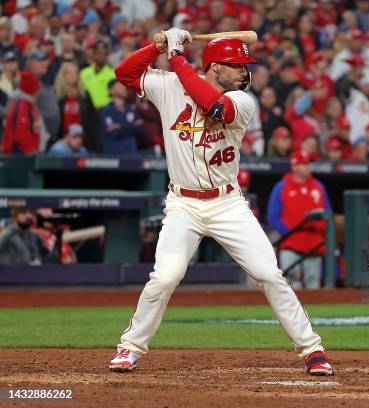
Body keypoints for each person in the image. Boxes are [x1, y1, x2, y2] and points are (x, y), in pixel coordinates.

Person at [110, 28, 333, 375]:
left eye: (246, 66)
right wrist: (154, 47)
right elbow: (124, 73)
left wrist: (177, 56)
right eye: (237, 65)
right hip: (183, 204)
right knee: (166, 276)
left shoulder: (243, 101)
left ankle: (312, 350)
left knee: (269, 274)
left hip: (227, 204)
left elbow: (212, 105)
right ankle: (129, 348)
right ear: (214, 67)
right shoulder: (170, 86)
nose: (245, 72)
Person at [267, 150, 333, 290]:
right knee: (291, 286)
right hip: (291, 244)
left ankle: (313, 313)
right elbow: (272, 216)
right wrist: (289, 232)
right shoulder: (282, 186)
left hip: (314, 244)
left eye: (309, 163)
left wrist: (322, 232)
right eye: (304, 164)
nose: (308, 167)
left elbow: (328, 215)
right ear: (295, 166)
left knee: (313, 284)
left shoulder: (318, 187)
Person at [2, 71, 44, 153]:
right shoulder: (22, 105)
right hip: (19, 155)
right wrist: (31, 151)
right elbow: (21, 135)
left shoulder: (28, 104)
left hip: (25, 152)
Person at [99, 79, 144, 155]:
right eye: (120, 86)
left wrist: (121, 126)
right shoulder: (106, 111)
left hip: (132, 154)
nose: (124, 88)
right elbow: (114, 132)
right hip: (114, 155)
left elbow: (140, 129)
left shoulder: (131, 109)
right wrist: (130, 126)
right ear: (111, 90)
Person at [80, 40, 116, 110]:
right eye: (98, 53)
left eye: (103, 54)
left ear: (107, 56)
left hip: (107, 110)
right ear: (93, 55)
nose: (101, 56)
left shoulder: (113, 74)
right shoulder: (84, 73)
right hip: (88, 110)